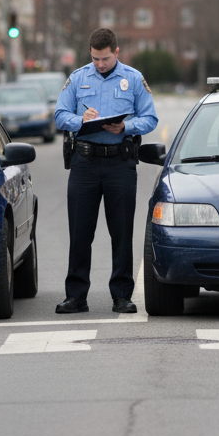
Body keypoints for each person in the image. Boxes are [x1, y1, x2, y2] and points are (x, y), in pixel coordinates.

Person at [53, 28, 158, 314]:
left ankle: (122, 295)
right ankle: (76, 296)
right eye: (96, 58)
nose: (100, 64)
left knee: (121, 232)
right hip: (84, 163)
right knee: (80, 232)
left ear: (117, 52)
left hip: (119, 163)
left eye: (106, 59)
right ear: (90, 53)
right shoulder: (77, 78)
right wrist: (79, 119)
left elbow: (150, 118)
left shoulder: (133, 79)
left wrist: (126, 126)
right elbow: (60, 115)